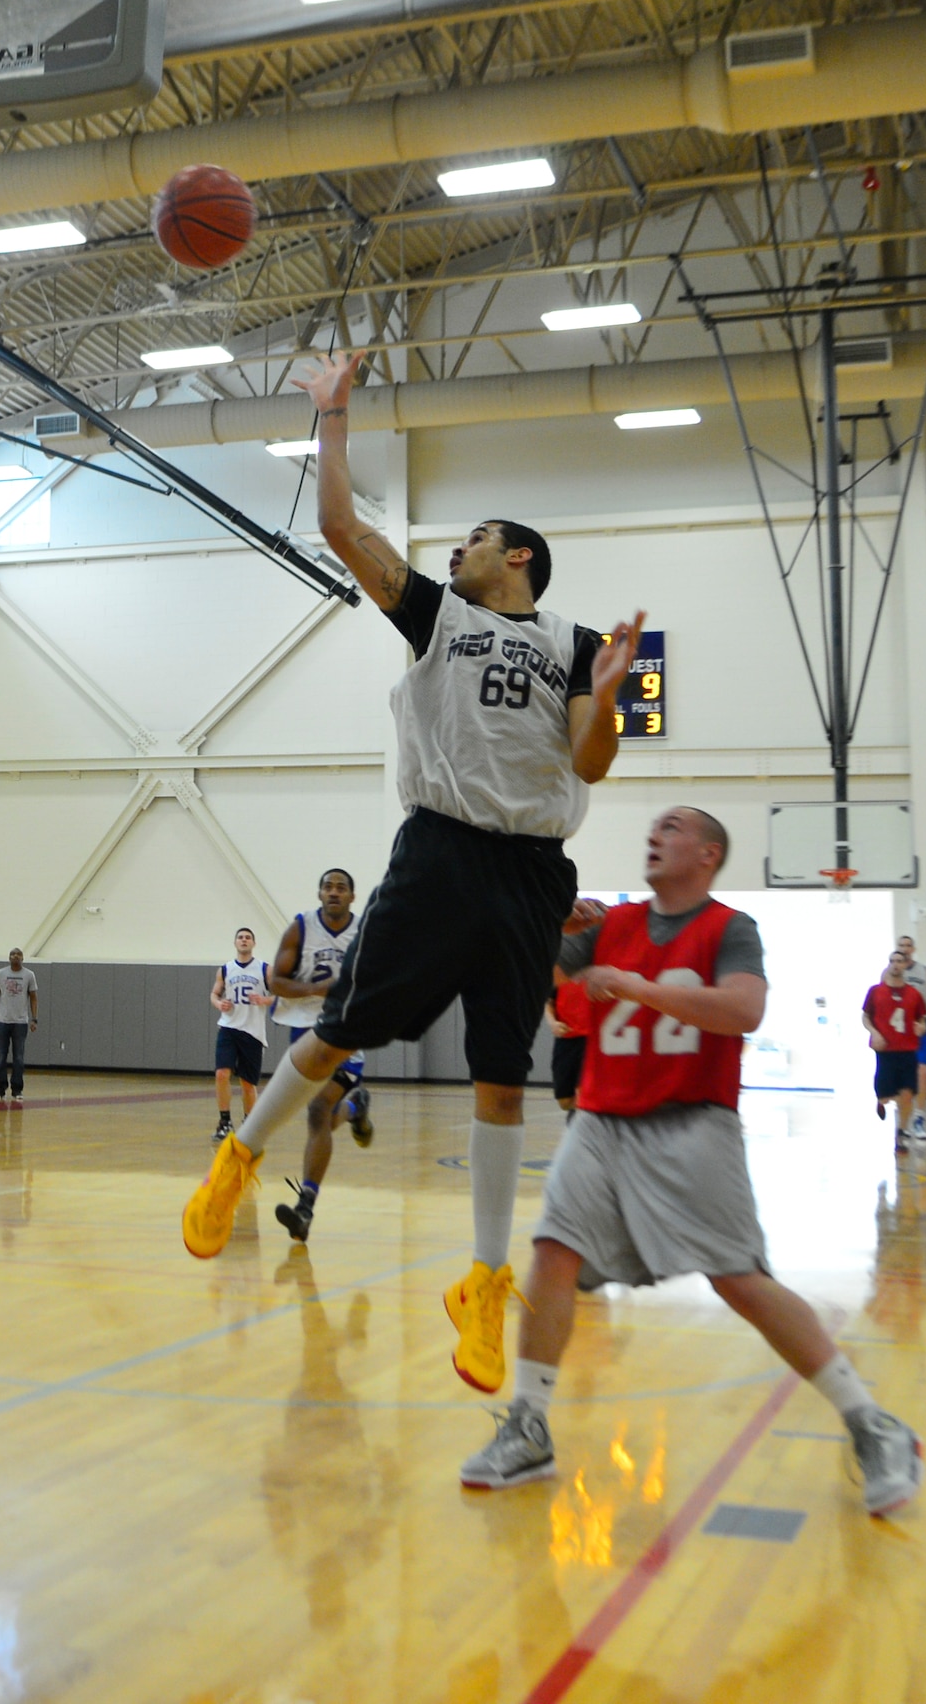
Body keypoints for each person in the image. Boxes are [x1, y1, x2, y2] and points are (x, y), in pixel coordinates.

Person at [182, 349, 643, 1402]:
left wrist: (609, 691)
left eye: (476, 536)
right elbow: (344, 529)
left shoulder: (576, 643)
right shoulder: (441, 613)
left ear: (516, 554)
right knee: (341, 1025)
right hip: (439, 850)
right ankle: (240, 1159)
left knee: (497, 1072)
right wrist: (332, 414)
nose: (458, 546)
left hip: (531, 869)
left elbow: (587, 762)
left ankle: (483, 1281)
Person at [461, 805, 924, 1518]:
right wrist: (552, 924)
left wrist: (639, 988)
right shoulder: (609, 926)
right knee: (552, 1252)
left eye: (672, 828)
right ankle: (528, 1424)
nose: (654, 834)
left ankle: (872, 1421)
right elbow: (528, 972)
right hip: (600, 1120)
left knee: (739, 1280)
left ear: (708, 853)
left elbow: (742, 1013)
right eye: (652, 828)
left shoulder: (730, 929)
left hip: (691, 1122)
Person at [269, 871, 371, 1246]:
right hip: (304, 1031)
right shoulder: (300, 929)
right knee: (323, 1118)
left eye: (341, 887)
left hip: (346, 1031)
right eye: (328, 886)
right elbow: (275, 982)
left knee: (316, 1114)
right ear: (319, 893)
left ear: (352, 896)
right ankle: (356, 1107)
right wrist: (314, 989)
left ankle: (305, 1208)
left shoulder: (365, 932)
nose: (333, 892)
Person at [210, 928, 274, 1142]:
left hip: (252, 1032)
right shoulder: (225, 969)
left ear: (253, 943)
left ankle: (249, 1123)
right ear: (235, 942)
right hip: (228, 1027)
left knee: (248, 1084)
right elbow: (214, 993)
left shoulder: (265, 969)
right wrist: (219, 1003)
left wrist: (265, 1000)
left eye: (248, 937)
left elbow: (280, 995)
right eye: (240, 937)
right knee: (221, 1074)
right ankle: (224, 1121)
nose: (244, 940)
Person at [864, 952, 926, 1156]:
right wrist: (875, 1033)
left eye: (899, 961)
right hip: (886, 1050)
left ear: (905, 966)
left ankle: (901, 1133)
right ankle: (880, 1101)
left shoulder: (914, 994)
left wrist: (921, 1027)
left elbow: (923, 1021)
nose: (895, 965)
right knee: (885, 1095)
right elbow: (866, 1017)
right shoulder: (876, 992)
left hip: (908, 1050)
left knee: (907, 1093)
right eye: (892, 961)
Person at [894, 935, 926, 1142]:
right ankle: (903, 1122)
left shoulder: (925, 972)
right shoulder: (891, 972)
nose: (904, 949)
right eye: (900, 946)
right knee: (902, 1078)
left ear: (913, 949)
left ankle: (919, 1119)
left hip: (922, 1026)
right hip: (899, 1028)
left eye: (907, 946)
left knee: (923, 1071)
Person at [0, 948, 38, 1101]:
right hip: (2, 1021)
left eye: (18, 954)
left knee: (18, 1057)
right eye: (12, 954)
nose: (15, 956)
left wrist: (34, 1019)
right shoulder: (0, 973)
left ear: (23, 958)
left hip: (20, 1022)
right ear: (9, 958)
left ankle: (17, 1089)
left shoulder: (29, 975)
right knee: (1, 1056)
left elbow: (33, 998)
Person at [549, 976, 597, 1116]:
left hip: (590, 1040)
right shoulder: (561, 974)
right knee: (564, 1101)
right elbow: (549, 1003)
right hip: (565, 1040)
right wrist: (553, 1023)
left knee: (584, 1090)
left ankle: (581, 1125)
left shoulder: (596, 972)